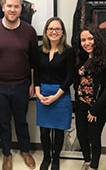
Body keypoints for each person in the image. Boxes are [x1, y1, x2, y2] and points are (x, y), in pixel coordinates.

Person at [0, 0, 38, 170]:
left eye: (16, 6)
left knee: (22, 121)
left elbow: (33, 61)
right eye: (9, 6)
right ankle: (7, 154)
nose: (13, 10)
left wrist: (32, 83)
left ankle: (25, 150)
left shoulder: (29, 30)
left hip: (22, 85)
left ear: (21, 9)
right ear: (3, 8)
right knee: (3, 122)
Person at [74, 24, 106, 170]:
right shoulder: (82, 57)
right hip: (81, 104)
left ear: (96, 39)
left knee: (93, 137)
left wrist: (95, 110)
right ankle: (87, 160)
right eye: (83, 40)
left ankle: (94, 166)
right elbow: (77, 81)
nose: (87, 43)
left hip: (98, 106)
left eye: (90, 39)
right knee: (81, 136)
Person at [34, 17, 74, 170]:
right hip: (43, 93)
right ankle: (46, 157)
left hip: (60, 95)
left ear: (62, 32)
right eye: (51, 29)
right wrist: (38, 94)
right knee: (44, 130)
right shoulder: (39, 51)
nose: (54, 32)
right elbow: (36, 73)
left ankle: (56, 159)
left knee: (58, 130)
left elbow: (70, 77)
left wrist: (56, 96)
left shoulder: (69, 51)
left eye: (57, 29)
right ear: (46, 31)